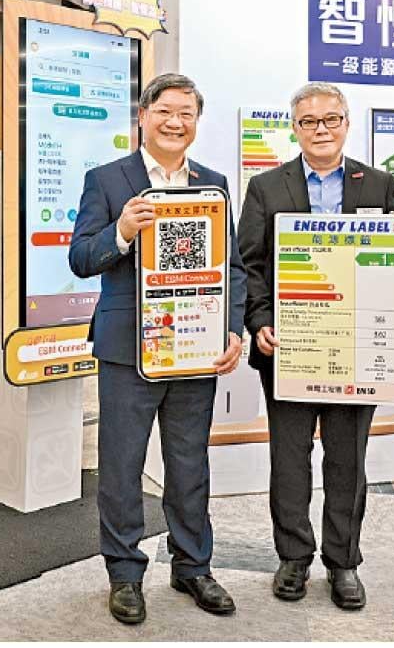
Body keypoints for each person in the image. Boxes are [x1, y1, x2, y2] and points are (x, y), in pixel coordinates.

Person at [236, 82, 394, 611]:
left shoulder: (379, 183)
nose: (320, 129)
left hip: (356, 345)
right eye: (309, 121)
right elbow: (250, 264)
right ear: (294, 128)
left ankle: (343, 562)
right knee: (289, 458)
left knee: (347, 458)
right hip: (289, 345)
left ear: (346, 122)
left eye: (330, 119)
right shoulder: (266, 187)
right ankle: (294, 557)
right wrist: (259, 320)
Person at [69, 73, 245, 625]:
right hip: (129, 349)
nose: (175, 122)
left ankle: (193, 566)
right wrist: (121, 232)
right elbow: (81, 257)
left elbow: (233, 267)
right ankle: (125, 573)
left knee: (190, 464)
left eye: (186, 113)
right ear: (143, 116)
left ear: (197, 122)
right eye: (165, 111)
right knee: (121, 465)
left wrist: (232, 329)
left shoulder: (214, 184)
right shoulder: (107, 179)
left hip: (195, 344)